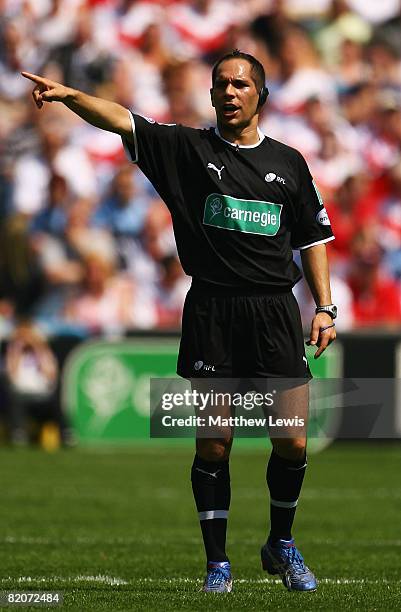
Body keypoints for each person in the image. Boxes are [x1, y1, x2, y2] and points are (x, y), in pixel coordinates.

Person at [22, 49, 337, 593]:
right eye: (220, 83)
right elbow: (122, 119)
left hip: (275, 311)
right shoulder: (187, 149)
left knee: (292, 441)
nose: (229, 91)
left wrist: (326, 307)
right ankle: (218, 563)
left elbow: (312, 238)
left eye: (240, 83)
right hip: (214, 309)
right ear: (211, 94)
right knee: (214, 443)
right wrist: (72, 97)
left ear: (261, 95)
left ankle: (281, 543)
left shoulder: (289, 163)